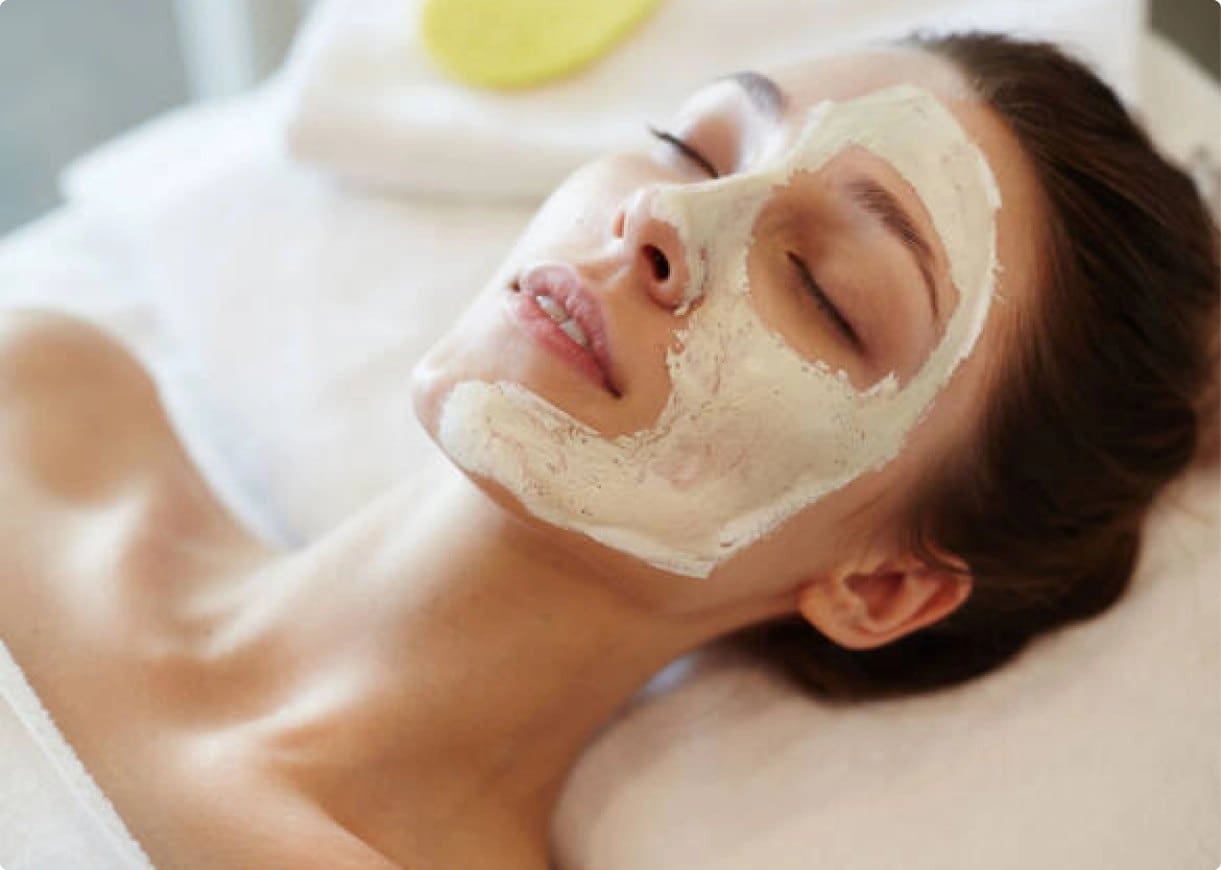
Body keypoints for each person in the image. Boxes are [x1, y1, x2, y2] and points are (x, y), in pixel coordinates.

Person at [0, 31, 1215, 870]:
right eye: (692, 148)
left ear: (882, 587)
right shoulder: (40, 395)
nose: (664, 216)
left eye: (823, 288)